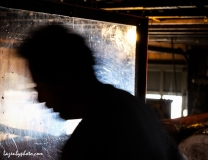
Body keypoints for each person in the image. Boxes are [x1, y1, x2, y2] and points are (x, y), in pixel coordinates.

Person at [17, 25, 185, 160]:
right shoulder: (135, 108)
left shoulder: (90, 139)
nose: (40, 99)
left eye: (41, 86)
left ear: (62, 79)